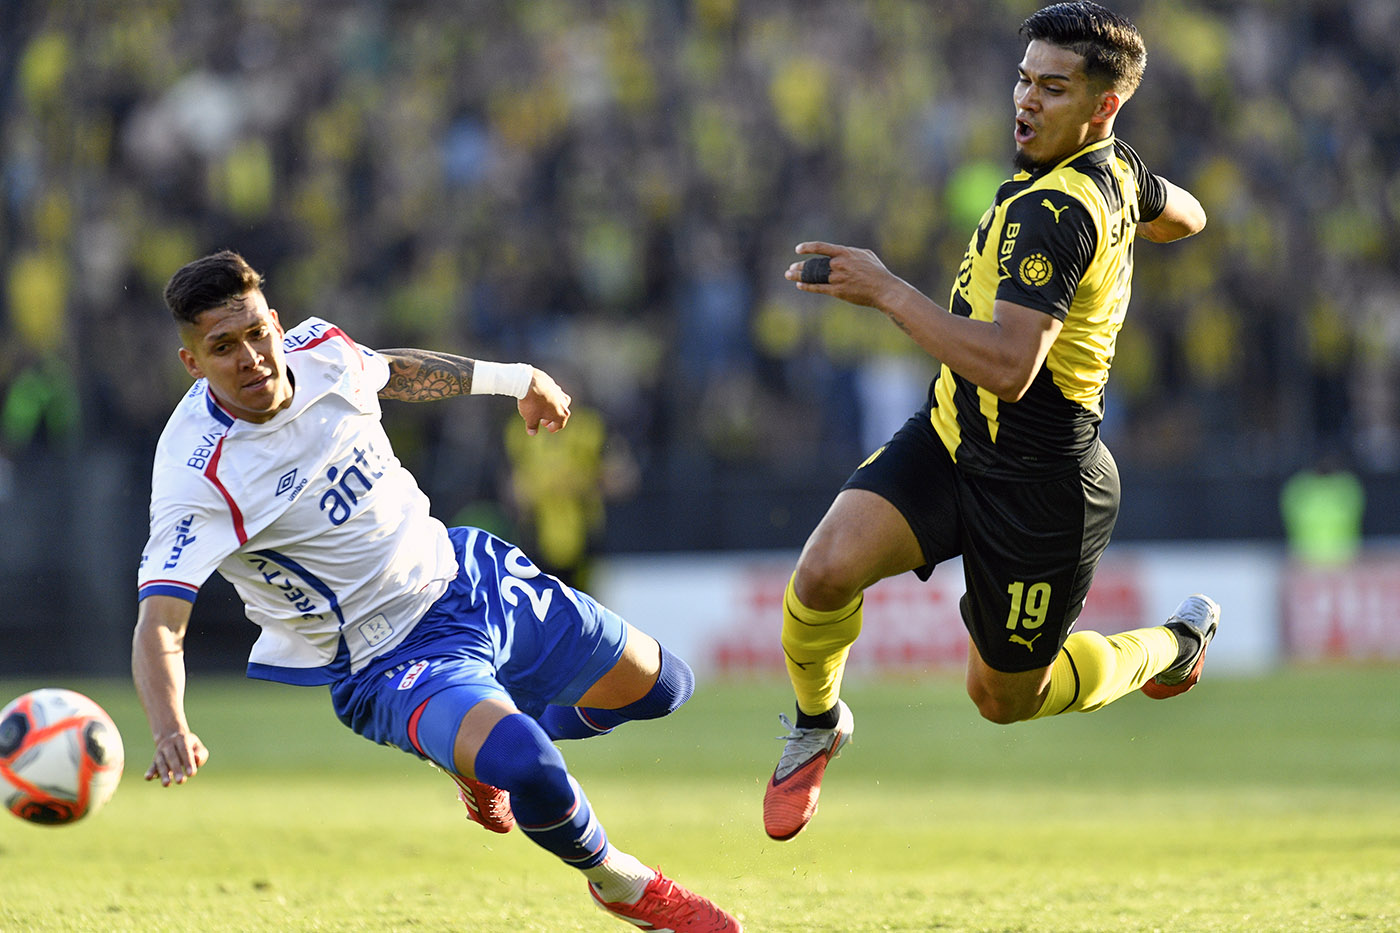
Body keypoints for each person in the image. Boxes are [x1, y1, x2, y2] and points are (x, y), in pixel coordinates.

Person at [132, 250, 741, 932]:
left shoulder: (323, 350)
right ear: (193, 363)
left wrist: (517, 379)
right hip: (387, 660)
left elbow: (394, 369)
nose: (250, 358)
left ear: (275, 323)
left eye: (256, 333)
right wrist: (169, 726)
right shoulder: (197, 476)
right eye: (222, 347)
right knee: (529, 764)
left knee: (664, 689)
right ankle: (623, 885)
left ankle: (486, 746)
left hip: (464, 573)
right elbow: (160, 621)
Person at [763, 1, 1216, 842]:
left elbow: (1012, 368)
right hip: (951, 435)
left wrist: (887, 290)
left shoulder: (1061, 210)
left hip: (1041, 483)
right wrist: (1145, 210)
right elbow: (1184, 214)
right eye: (1023, 79)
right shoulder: (1110, 171)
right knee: (824, 571)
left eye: (1051, 87)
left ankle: (1173, 645)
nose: (1026, 101)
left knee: (1005, 699)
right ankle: (818, 722)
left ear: (1102, 106)